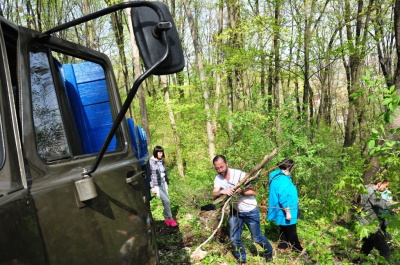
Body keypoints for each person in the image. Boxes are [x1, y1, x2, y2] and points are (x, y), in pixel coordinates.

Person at [212, 155, 273, 264]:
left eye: (221, 167)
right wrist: (222, 191)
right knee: (234, 238)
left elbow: (253, 192)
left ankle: (269, 252)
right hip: (235, 211)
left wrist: (241, 191)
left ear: (226, 164)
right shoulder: (218, 178)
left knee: (257, 238)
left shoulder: (240, 174)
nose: (220, 170)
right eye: (217, 168)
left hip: (250, 210)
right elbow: (214, 194)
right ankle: (241, 258)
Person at [353, 179, 396, 263]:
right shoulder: (372, 192)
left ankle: (357, 261)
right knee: (385, 251)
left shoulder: (365, 188)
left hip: (364, 224)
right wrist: (397, 206)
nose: (386, 189)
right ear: (380, 183)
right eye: (386, 186)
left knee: (368, 245)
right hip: (370, 226)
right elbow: (383, 204)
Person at [267, 158, 303, 253]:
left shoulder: (274, 175)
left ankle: (282, 245)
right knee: (291, 229)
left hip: (278, 207)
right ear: (289, 168)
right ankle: (298, 249)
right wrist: (288, 212)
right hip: (286, 208)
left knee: (284, 226)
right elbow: (282, 197)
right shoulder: (283, 180)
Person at [149, 146, 178, 227]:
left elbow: (165, 172)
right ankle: (171, 219)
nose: (161, 154)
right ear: (155, 152)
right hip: (156, 185)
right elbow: (149, 176)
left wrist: (167, 182)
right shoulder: (150, 162)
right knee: (167, 201)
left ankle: (166, 219)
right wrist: (152, 187)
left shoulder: (162, 161)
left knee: (166, 202)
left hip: (163, 183)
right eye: (159, 152)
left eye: (162, 152)